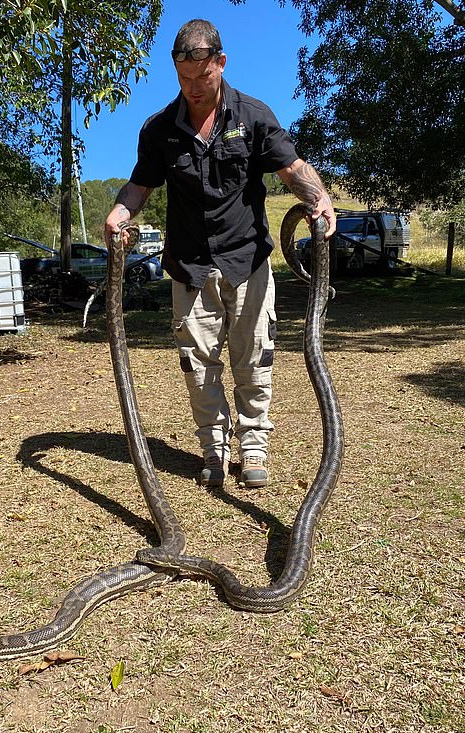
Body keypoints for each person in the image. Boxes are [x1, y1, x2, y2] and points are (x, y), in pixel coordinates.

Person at [105, 18, 335, 489]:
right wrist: (119, 213)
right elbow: (139, 185)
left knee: (254, 357)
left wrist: (319, 198)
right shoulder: (160, 130)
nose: (193, 87)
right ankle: (213, 448)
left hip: (247, 260)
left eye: (202, 77)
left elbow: (291, 168)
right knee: (198, 364)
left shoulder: (252, 116)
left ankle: (253, 446)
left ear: (220, 63)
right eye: (184, 78)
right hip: (189, 266)